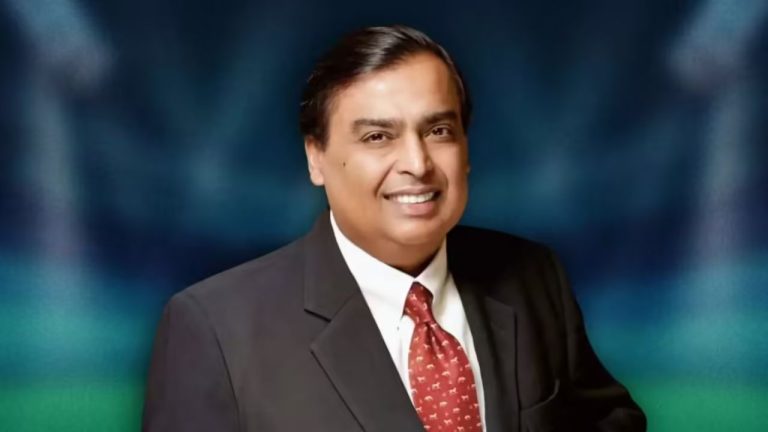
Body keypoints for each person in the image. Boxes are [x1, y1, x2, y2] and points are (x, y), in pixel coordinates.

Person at [142, 25, 646, 432]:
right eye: (378, 137)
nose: (417, 163)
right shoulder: (215, 329)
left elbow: (609, 421)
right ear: (316, 157)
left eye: (439, 131)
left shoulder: (533, 276)